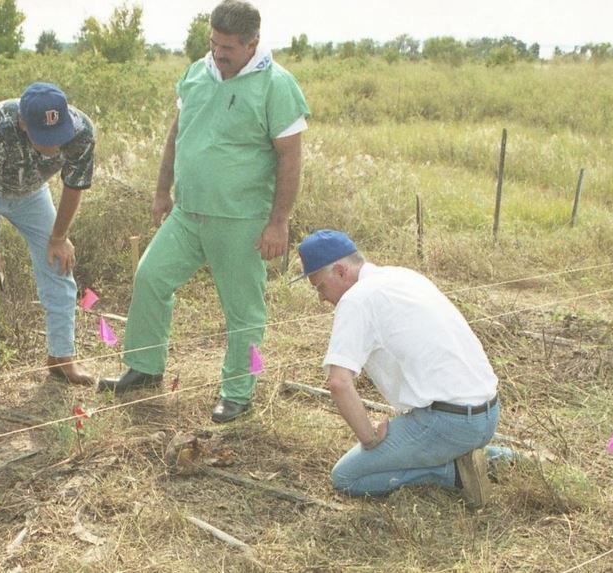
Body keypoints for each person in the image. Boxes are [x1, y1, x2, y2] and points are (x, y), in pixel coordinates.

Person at [99, 0, 310, 423]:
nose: (218, 53)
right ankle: (144, 367)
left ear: (252, 44)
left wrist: (279, 222)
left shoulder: (277, 85)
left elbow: (290, 159)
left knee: (244, 310)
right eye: (213, 43)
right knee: (150, 277)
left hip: (241, 220)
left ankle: (239, 390)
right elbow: (177, 134)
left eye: (227, 47)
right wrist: (162, 191)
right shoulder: (197, 72)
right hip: (187, 213)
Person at [294, 229, 505, 508]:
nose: (321, 298)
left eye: (320, 287)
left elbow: (339, 383)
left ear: (342, 271)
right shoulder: (403, 276)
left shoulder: (356, 299)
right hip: (488, 414)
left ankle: (455, 472)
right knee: (434, 432)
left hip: (447, 423)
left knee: (346, 477)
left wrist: (369, 438)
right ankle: (501, 458)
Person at [0, 82, 97, 401]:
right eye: (45, 139)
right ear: (22, 124)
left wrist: (59, 237)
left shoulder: (82, 130)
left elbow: (74, 186)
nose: (53, 146)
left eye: (58, 135)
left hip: (31, 191)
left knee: (60, 264)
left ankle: (61, 358)